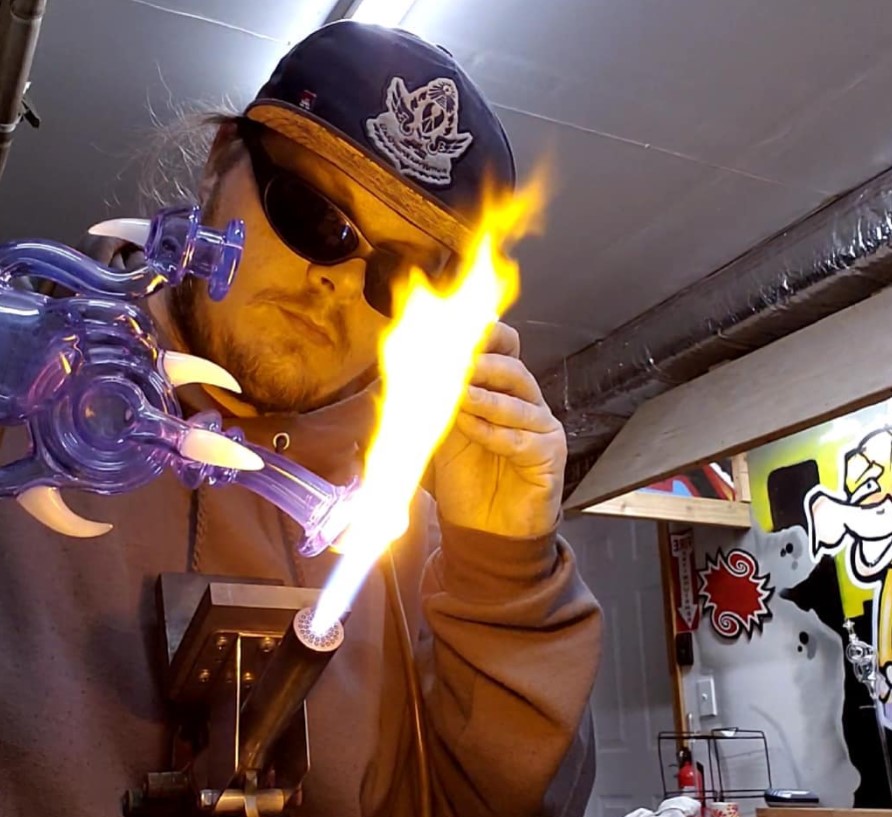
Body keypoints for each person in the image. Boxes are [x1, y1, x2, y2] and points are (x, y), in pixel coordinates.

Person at [0, 20, 602, 817]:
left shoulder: (410, 546)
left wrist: (506, 568)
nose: (341, 284)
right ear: (222, 161)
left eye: (401, 275)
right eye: (315, 217)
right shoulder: (20, 407)